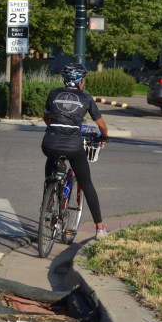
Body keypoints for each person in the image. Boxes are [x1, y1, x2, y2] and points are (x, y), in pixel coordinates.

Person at [42, 63, 110, 240]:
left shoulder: (54, 93)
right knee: (86, 183)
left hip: (49, 142)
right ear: (80, 81)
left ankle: (47, 205)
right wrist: (104, 137)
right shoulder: (85, 98)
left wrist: (55, 127)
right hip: (73, 145)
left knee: (51, 166)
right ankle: (100, 228)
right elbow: (101, 125)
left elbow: (46, 117)